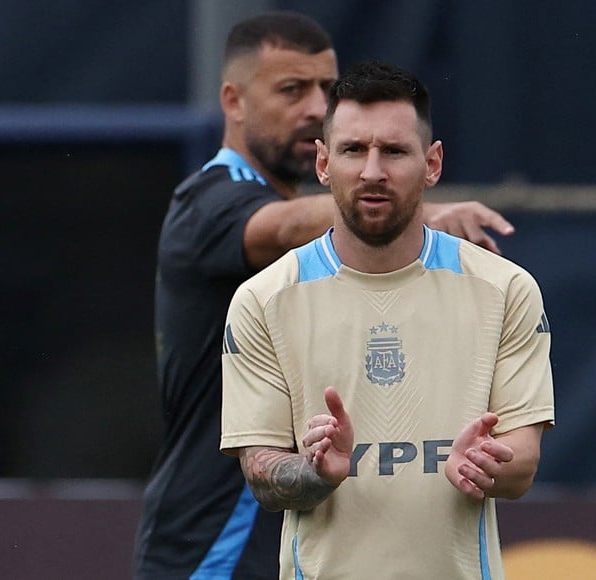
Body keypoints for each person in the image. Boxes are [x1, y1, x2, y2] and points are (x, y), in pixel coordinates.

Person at [134, 11, 517, 580]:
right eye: (291, 89)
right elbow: (284, 226)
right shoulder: (208, 203)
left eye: (324, 88)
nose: (315, 107)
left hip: (303, 535)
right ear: (233, 101)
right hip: (218, 540)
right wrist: (413, 212)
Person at [220, 61, 554, 580]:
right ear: (324, 162)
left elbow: (523, 464)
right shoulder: (264, 300)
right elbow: (261, 473)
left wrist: (488, 463)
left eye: (394, 151)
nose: (372, 171)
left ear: (432, 163)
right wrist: (314, 471)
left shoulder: (505, 290)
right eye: (354, 150)